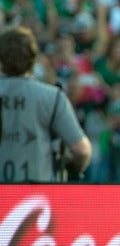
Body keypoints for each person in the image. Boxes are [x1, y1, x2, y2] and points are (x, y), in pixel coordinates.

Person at [0, 25, 91, 183]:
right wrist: (73, 168)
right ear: (33, 58)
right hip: (37, 195)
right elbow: (81, 150)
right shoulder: (52, 97)